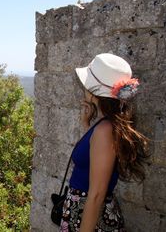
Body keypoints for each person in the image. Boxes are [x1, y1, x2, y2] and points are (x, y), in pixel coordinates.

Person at [59, 53, 149, 232]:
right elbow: (94, 158)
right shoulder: (104, 126)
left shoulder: (105, 130)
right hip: (86, 211)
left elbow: (97, 194)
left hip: (89, 215)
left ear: (94, 91)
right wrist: (86, 125)